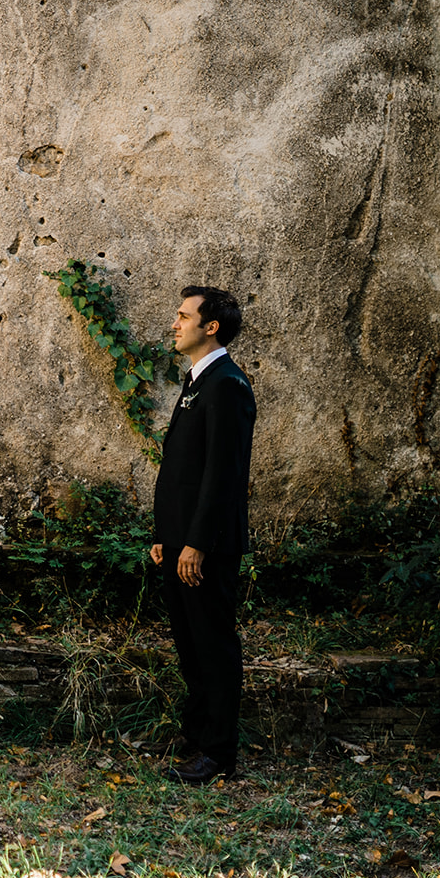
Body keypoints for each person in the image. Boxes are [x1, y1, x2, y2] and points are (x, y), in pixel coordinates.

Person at [149, 286, 256, 784]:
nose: (175, 324)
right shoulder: (197, 381)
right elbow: (182, 470)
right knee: (190, 646)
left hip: (205, 546)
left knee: (213, 646)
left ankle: (218, 753)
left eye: (183, 316)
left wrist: (197, 543)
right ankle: (195, 738)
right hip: (180, 541)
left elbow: (222, 475)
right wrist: (165, 535)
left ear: (210, 327)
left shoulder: (228, 385)